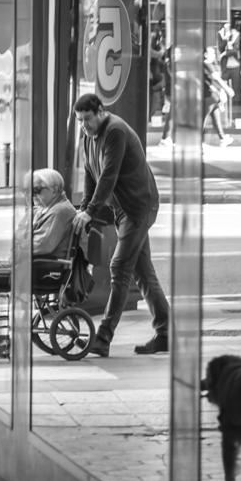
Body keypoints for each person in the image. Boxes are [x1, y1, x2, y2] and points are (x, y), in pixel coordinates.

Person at [72, 93, 170, 357]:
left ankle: (103, 337)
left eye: (88, 119)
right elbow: (91, 176)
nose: (84, 125)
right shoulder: (88, 137)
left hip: (138, 207)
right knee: (143, 273)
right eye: (80, 121)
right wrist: (83, 209)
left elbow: (109, 176)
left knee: (119, 267)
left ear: (100, 112)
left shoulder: (115, 131)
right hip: (123, 209)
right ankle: (166, 333)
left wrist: (91, 212)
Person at [0, 167, 79, 351]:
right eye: (31, 191)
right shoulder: (43, 209)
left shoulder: (60, 211)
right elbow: (20, 236)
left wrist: (21, 245)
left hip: (42, 268)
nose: (34, 195)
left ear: (54, 189)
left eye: (38, 190)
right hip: (28, 262)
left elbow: (42, 245)